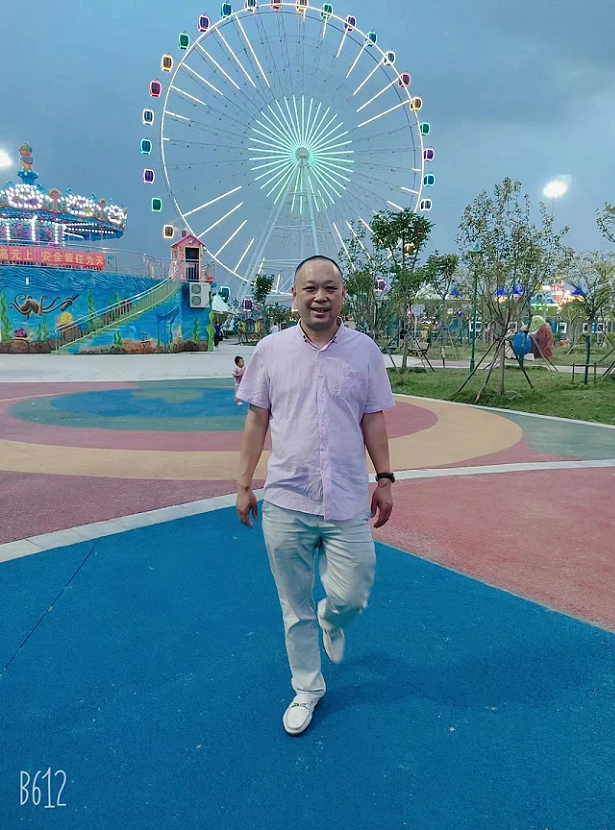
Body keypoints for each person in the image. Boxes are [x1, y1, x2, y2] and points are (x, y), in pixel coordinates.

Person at [236, 255, 395, 736]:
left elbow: (373, 418)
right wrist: (244, 484)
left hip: (347, 498)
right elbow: (256, 420)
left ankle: (334, 617)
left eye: (329, 288)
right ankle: (307, 688)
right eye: (310, 288)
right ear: (294, 297)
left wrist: (385, 478)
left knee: (355, 585)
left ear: (343, 295)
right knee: (294, 606)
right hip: (287, 499)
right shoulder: (270, 350)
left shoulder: (364, 351)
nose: (320, 296)